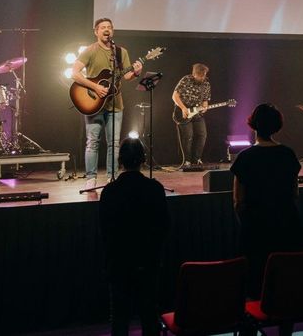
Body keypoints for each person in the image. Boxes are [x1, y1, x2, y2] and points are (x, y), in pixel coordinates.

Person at [230, 103, 303, 298]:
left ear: (253, 125)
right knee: (286, 290)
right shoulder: (288, 154)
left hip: (255, 232)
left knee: (253, 288)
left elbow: (238, 201)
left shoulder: (244, 157)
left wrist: (248, 226)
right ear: (277, 125)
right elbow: (294, 193)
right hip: (286, 229)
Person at [99, 138, 170, 336]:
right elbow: (164, 226)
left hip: (119, 265)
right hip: (149, 263)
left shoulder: (110, 191)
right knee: (149, 316)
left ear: (120, 160)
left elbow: (104, 230)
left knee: (119, 320)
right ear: (143, 159)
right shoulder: (155, 189)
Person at [71, 18, 142, 189]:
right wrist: (95, 86)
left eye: (109, 27)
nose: (106, 30)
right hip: (94, 103)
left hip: (115, 104)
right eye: (103, 27)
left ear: (113, 31)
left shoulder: (120, 52)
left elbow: (126, 76)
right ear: (96, 31)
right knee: (93, 141)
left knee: (114, 143)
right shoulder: (90, 51)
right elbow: (74, 73)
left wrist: (136, 73)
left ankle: (112, 179)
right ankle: (91, 179)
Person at [172, 63, 212, 168]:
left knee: (202, 134)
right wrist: (183, 108)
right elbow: (175, 96)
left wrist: (205, 107)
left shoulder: (206, 83)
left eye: (204, 75)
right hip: (183, 111)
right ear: (194, 74)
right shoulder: (186, 80)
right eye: (201, 75)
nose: (203, 77)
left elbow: (205, 100)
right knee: (188, 136)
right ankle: (187, 161)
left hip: (197, 113)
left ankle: (197, 159)